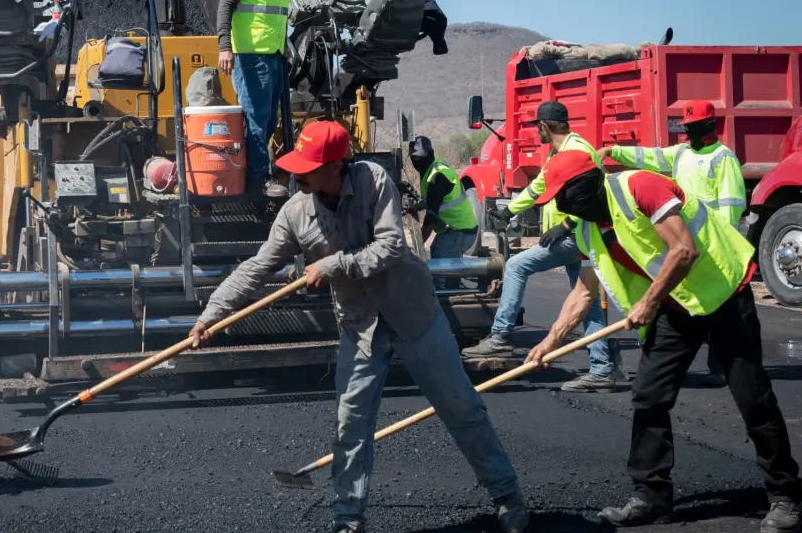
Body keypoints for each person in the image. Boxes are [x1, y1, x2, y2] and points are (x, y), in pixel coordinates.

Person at [189, 121, 529, 533]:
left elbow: (391, 245)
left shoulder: (373, 180)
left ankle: (506, 495)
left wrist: (332, 265)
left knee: (460, 407)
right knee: (350, 423)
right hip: (361, 325)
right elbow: (257, 268)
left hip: (414, 316)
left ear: (336, 165)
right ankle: (347, 517)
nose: (299, 175)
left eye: (308, 167)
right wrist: (212, 314)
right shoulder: (297, 211)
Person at [523, 149, 801, 531]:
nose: (560, 204)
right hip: (675, 304)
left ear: (583, 186)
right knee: (649, 395)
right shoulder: (589, 229)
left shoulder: (640, 186)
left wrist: (648, 301)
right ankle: (651, 497)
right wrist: (551, 341)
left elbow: (684, 250)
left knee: (752, 396)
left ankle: (785, 495)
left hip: (721, 291)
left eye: (562, 194)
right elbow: (584, 292)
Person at [462, 101, 624, 393]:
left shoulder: (579, 152)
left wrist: (566, 225)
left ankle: (500, 334)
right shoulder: (559, 152)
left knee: (516, 265)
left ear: (545, 126)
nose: (536, 131)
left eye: (538, 126)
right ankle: (602, 368)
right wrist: (510, 210)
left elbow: (593, 198)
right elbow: (539, 186)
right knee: (586, 303)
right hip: (579, 239)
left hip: (576, 236)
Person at [599, 99, 743, 388]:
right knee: (700, 305)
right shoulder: (682, 153)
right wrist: (614, 150)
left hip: (716, 244)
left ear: (709, 126)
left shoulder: (722, 157)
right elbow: (649, 157)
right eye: (686, 127)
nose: (687, 132)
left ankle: (723, 368)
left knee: (721, 308)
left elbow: (731, 204)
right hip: (688, 241)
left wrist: (725, 243)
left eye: (692, 127)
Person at [217, 0, 304, 198]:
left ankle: (251, 168)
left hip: (275, 57)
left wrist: (285, 49)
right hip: (250, 57)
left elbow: (276, 19)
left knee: (269, 120)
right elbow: (225, 7)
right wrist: (224, 47)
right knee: (256, 116)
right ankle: (258, 179)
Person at [408, 135, 479, 289]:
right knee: (438, 253)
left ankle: (446, 296)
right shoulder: (429, 171)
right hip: (453, 228)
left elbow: (431, 219)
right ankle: (449, 289)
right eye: (414, 158)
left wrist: (417, 247)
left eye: (421, 157)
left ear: (430, 153)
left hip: (460, 230)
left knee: (441, 261)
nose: (417, 161)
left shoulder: (438, 175)